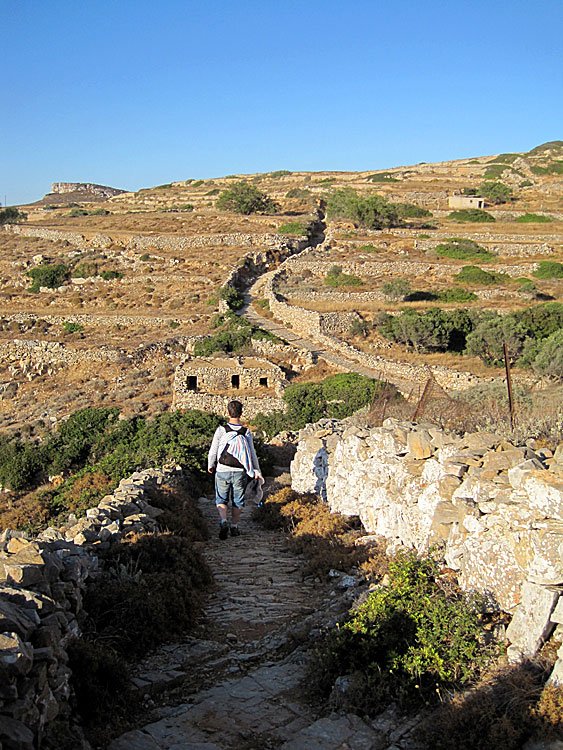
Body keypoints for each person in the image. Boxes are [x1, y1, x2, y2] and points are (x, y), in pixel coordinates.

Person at [208, 400, 262, 539]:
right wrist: (257, 471)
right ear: (241, 413)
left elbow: (213, 451)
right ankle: (234, 527)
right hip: (240, 471)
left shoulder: (221, 430)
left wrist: (210, 465)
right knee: (238, 500)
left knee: (221, 499)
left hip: (222, 469)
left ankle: (223, 521)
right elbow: (252, 453)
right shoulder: (246, 432)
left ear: (227, 413)